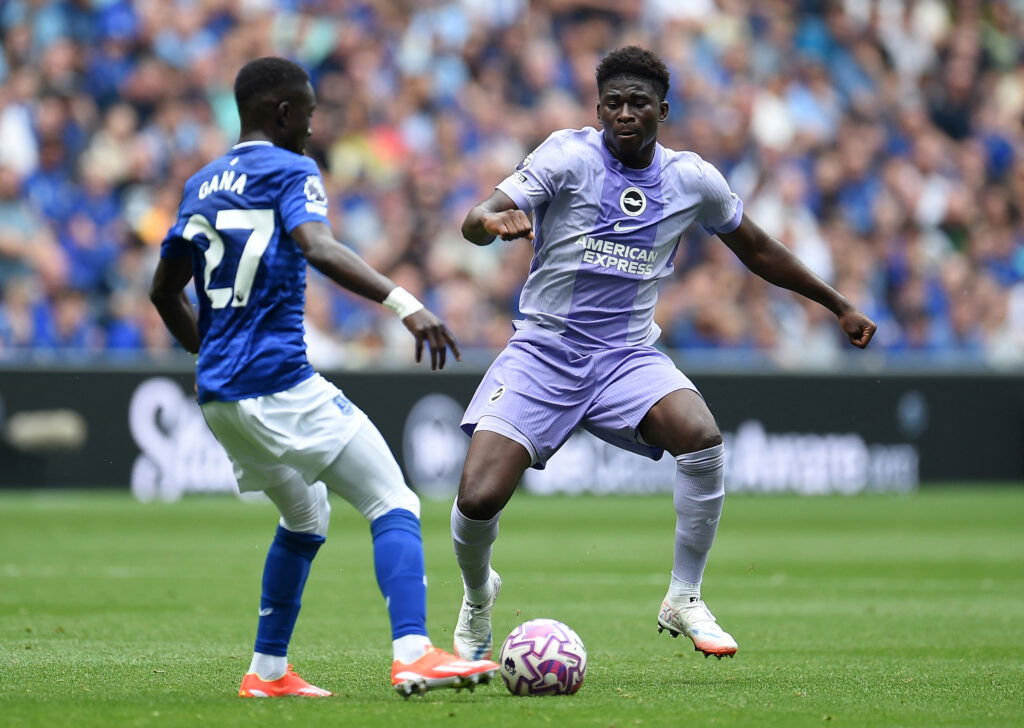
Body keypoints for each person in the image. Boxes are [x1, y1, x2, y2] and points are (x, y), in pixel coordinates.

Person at [450, 46, 877, 662]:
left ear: (663, 111)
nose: (625, 114)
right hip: (545, 350)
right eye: (614, 104)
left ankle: (684, 595)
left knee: (700, 434)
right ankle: (477, 597)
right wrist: (490, 223)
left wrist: (838, 305)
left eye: (639, 103)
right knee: (477, 499)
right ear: (599, 109)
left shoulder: (691, 180)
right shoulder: (566, 156)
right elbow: (478, 214)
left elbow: (757, 249)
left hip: (626, 356)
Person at [149, 56, 498, 698]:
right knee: (392, 500)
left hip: (218, 394)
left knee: (306, 516)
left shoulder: (199, 184)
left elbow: (163, 291)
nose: (313, 128)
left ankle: (267, 671)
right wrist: (405, 303)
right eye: (308, 114)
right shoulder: (291, 170)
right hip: (279, 382)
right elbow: (317, 245)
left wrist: (209, 353)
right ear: (283, 112)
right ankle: (414, 653)